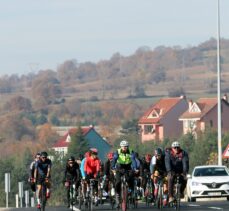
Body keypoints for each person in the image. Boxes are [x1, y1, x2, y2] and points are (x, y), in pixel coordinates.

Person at [111, 140, 137, 208]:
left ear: (128, 147)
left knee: (130, 178)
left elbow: (133, 160)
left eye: (126, 147)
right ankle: (118, 194)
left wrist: (135, 168)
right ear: (121, 147)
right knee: (118, 181)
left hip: (128, 167)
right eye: (123, 147)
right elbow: (114, 159)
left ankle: (131, 191)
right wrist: (113, 167)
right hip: (119, 167)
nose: (125, 148)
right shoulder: (118, 151)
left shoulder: (131, 151)